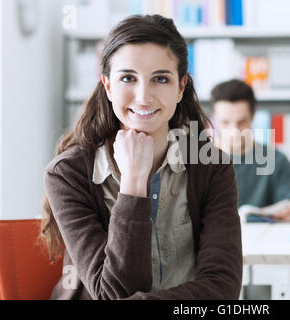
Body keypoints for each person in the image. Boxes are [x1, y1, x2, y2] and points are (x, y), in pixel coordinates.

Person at [40, 15, 242, 300]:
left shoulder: (212, 167)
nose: (144, 96)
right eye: (127, 78)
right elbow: (111, 294)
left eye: (160, 78)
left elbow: (222, 287)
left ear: (180, 87)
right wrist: (133, 184)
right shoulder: (66, 174)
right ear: (108, 86)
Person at [211, 79, 290, 223]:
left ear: (253, 116)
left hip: (265, 241)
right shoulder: (197, 163)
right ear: (214, 119)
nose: (234, 131)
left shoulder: (277, 160)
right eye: (225, 123)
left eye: (241, 122)